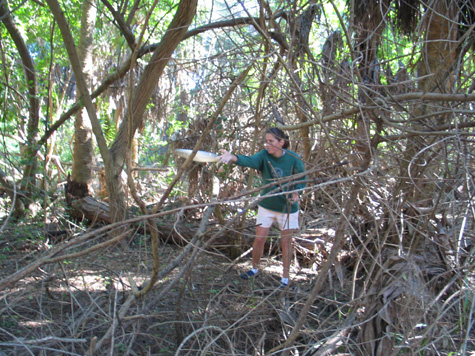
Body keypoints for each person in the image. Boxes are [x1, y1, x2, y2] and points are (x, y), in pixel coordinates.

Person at [218, 127, 306, 288]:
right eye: (266, 141)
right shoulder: (264, 155)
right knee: (259, 239)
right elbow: (250, 161)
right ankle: (254, 268)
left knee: (286, 242)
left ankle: (285, 278)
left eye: (271, 141)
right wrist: (233, 157)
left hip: (287, 208)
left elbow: (302, 178)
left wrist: (296, 192)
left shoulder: (294, 158)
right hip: (267, 205)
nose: (267, 144)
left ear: (282, 142)